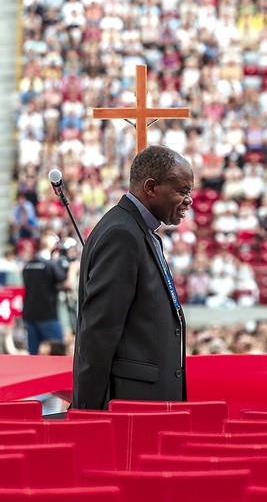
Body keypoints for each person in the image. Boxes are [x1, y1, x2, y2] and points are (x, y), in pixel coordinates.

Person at [72, 145, 194, 410]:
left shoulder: (142, 231)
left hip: (145, 405)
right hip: (129, 408)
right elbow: (99, 332)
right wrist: (86, 413)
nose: (189, 200)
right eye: (182, 191)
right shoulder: (123, 234)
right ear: (151, 188)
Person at [22, 232, 70, 355]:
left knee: (34, 355)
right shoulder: (50, 265)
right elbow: (66, 283)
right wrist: (73, 268)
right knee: (57, 353)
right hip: (48, 315)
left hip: (30, 315)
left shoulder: (28, 265)